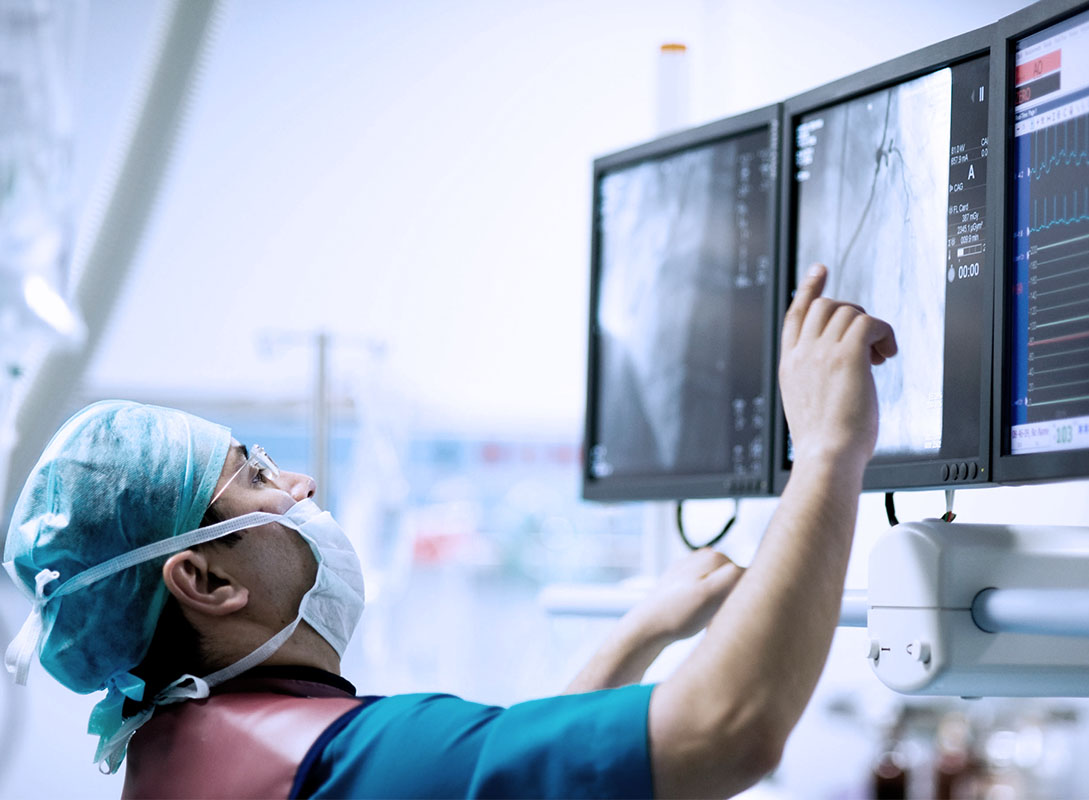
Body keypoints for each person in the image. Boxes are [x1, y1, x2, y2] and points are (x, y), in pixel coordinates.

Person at [2, 263, 896, 799]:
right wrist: (826, 450)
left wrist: (642, 630)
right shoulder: (343, 764)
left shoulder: (181, 745)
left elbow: (511, 773)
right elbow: (728, 730)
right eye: (260, 477)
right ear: (202, 581)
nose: (303, 483)